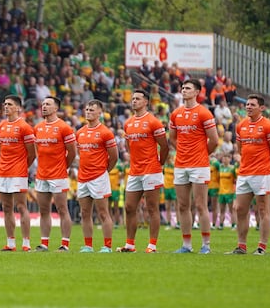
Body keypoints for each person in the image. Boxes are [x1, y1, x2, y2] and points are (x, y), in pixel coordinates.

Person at [168, 79, 219, 254]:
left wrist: (202, 154)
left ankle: (206, 245)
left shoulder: (204, 113)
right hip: (181, 164)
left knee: (200, 205)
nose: (184, 90)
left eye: (188, 88)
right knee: (182, 205)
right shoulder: (176, 113)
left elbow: (214, 140)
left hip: (199, 165)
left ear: (197, 92)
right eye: (182, 88)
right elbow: (172, 138)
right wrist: (182, 151)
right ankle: (186, 245)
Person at [228, 94, 270, 255]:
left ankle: (261, 247)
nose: (248, 107)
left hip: (262, 173)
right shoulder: (241, 125)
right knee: (240, 209)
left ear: (261, 108)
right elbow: (240, 148)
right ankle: (241, 246)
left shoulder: (269, 126)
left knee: (263, 209)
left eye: (252, 105)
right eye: (247, 104)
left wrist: (268, 167)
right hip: (244, 173)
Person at [120, 90, 169, 253]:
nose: (134, 101)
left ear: (146, 102)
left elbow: (165, 146)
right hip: (135, 170)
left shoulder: (153, 122)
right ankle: (130, 245)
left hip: (151, 169)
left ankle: (152, 245)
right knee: (129, 207)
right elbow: (128, 146)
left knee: (152, 207)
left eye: (138, 99)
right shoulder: (128, 123)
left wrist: (159, 164)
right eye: (133, 98)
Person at [33, 96, 76, 252]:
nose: (44, 106)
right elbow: (38, 150)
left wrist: (64, 166)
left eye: (48, 104)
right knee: (43, 210)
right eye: (43, 104)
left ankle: (65, 244)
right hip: (42, 175)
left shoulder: (64, 127)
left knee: (62, 209)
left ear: (56, 108)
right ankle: (44, 243)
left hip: (58, 174)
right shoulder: (37, 127)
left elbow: (72, 151)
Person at [76, 99, 119, 253]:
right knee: (85, 213)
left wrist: (103, 171)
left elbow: (114, 157)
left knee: (102, 212)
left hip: (99, 177)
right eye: (87, 109)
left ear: (100, 113)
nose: (88, 111)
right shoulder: (80, 132)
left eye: (92, 109)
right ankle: (88, 245)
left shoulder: (105, 132)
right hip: (82, 177)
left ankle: (107, 246)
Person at [0, 95, 36, 252]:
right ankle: (10, 243)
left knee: (21, 206)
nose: (6, 107)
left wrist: (22, 167)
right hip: (3, 171)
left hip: (18, 172)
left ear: (18, 108)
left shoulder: (24, 127)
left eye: (10, 104)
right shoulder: (1, 126)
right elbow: (1, 149)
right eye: (5, 104)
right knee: (6, 207)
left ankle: (26, 243)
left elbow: (32, 153)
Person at [216, 154, 237, 230]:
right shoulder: (220, 168)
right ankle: (221, 225)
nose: (224, 160)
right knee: (222, 210)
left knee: (232, 210)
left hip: (230, 192)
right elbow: (218, 178)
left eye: (226, 158)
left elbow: (236, 178)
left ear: (230, 159)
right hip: (221, 192)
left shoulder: (232, 168)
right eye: (223, 158)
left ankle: (234, 225)